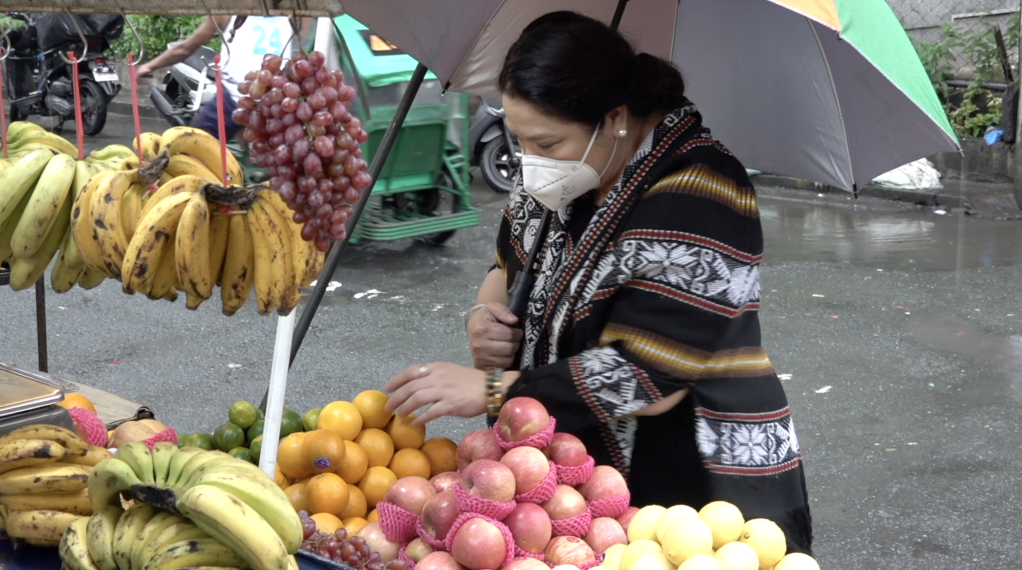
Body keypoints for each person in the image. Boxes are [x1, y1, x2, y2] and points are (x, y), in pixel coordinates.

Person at [383, 11, 812, 554]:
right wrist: (482, 317)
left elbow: (646, 378)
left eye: (547, 143)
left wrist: (494, 390)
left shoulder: (699, 192)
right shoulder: (563, 176)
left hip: (698, 480)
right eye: (519, 141)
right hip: (568, 474)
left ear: (614, 119)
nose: (530, 163)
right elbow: (504, 269)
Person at [137, 15, 312, 140]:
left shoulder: (229, 9)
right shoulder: (289, 11)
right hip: (269, 102)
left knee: (194, 147)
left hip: (244, 100)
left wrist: (149, 66)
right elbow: (304, 33)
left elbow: (186, 48)